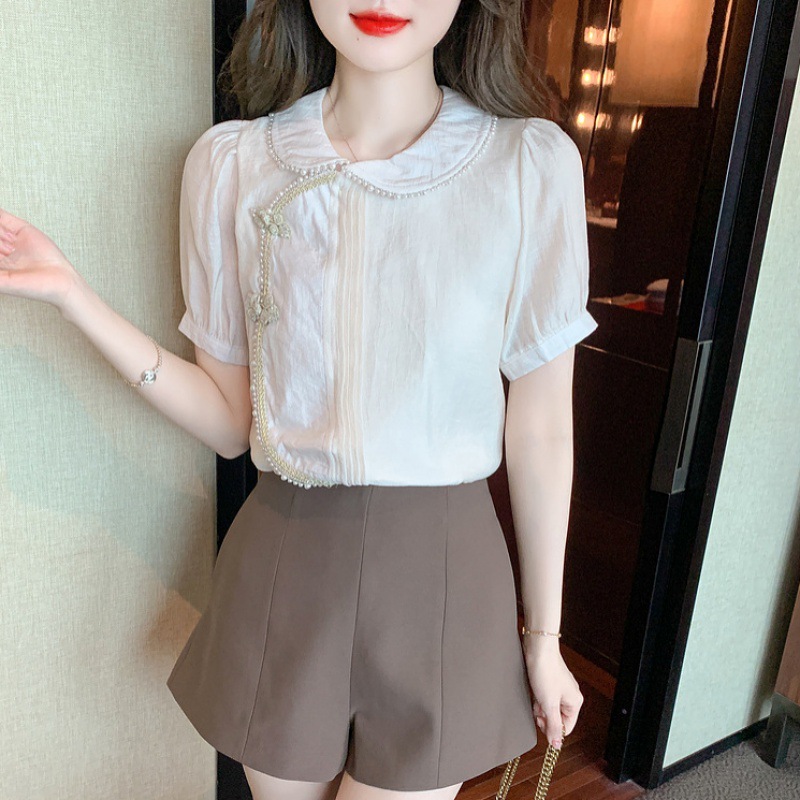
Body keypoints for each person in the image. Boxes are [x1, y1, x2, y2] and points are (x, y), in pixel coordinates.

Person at [0, 2, 597, 799]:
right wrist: (76, 299)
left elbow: (542, 428)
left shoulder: (526, 164)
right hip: (285, 560)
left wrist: (543, 635)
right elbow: (228, 422)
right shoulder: (233, 164)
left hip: (444, 574)